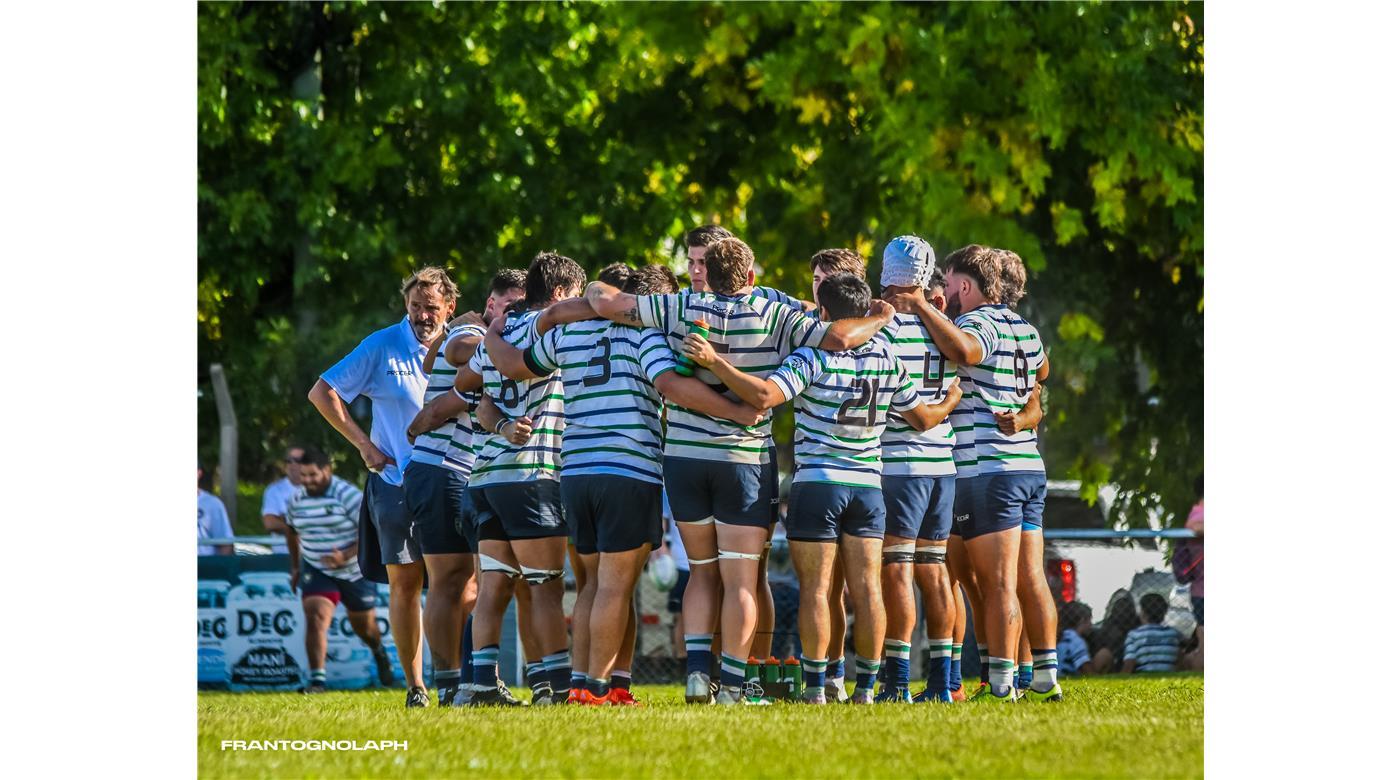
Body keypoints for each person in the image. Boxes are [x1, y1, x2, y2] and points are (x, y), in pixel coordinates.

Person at [585, 237, 895, 705]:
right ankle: (733, 683)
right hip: (744, 462)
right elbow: (837, 338)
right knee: (742, 580)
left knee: (703, 575)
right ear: (752, 277)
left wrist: (590, 287)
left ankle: (694, 676)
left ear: (704, 271)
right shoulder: (776, 312)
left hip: (685, 457)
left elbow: (609, 303)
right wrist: (880, 315)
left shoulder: (679, 306)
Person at [486, 262, 761, 705]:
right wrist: (737, 412)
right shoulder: (644, 335)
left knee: (595, 585)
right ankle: (591, 689)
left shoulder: (568, 334)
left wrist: (492, 335)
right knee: (614, 586)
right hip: (627, 469)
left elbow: (515, 367)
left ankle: (595, 683)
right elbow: (672, 386)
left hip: (575, 472)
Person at [683, 272, 961, 705]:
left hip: (819, 483)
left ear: (826, 315)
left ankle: (815, 688)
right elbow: (923, 419)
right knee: (869, 589)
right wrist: (952, 399)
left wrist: (716, 363)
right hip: (869, 487)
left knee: (816, 589)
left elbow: (762, 396)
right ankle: (866, 689)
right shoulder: (887, 358)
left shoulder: (813, 356)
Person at [884, 244, 1052, 703]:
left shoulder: (974, 324)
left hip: (982, 467)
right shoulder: (1027, 330)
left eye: (952, 285)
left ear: (962, 284)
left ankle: (1000, 681)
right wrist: (1028, 412)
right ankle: (1035, 675)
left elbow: (966, 352)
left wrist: (919, 305)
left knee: (987, 581)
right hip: (1007, 465)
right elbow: (1042, 373)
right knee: (1010, 577)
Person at [308, 266, 457, 707]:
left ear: (448, 306)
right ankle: (418, 687)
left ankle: (456, 678)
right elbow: (323, 392)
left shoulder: (465, 344)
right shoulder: (382, 344)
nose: (423, 316)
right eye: (415, 307)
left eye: (431, 307)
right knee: (405, 585)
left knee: (459, 585)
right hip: (396, 482)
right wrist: (363, 445)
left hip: (454, 478)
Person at [453, 251, 586, 707]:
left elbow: (469, 384)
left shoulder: (499, 331)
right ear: (560, 294)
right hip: (532, 474)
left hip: (486, 476)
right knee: (546, 589)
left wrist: (498, 420)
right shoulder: (552, 329)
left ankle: (480, 685)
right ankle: (558, 689)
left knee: (492, 588)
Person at [400, 268, 526, 706]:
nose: (515, 316)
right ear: (491, 304)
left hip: (463, 470)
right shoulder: (475, 330)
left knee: (476, 582)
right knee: (450, 581)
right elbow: (456, 348)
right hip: (440, 468)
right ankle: (452, 684)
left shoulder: (501, 340)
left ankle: (475, 681)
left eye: (522, 309)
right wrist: (499, 340)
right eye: (508, 307)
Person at [869, 236, 960, 704]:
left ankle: (899, 682)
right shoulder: (945, 327)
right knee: (935, 570)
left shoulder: (879, 330)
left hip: (899, 463)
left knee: (898, 572)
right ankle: (944, 683)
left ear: (885, 275)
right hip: (942, 465)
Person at [285, 446, 395, 693]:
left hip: (354, 570)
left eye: (312, 475)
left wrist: (344, 555)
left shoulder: (347, 495)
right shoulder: (295, 499)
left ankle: (378, 650)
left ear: (327, 470)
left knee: (365, 628)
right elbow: (291, 532)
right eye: (303, 476)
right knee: (315, 616)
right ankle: (317, 681)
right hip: (317, 567)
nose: (307, 481)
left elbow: (371, 532)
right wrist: (295, 567)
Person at [259, 446, 305, 553]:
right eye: (289, 461)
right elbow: (270, 523)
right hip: (284, 559)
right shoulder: (274, 490)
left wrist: (284, 519)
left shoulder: (320, 489)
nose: (293, 465)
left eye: (298, 461)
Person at [1121, 594, 1182, 673]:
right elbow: (1179, 657)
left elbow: (1129, 662)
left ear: (1143, 613)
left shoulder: (1134, 635)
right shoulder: (1173, 633)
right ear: (1163, 614)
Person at [197, 463, 234, 556]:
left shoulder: (212, 503)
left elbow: (226, 543)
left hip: (205, 566)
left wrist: (219, 568)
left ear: (198, 473)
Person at [1056, 601, 1095, 676]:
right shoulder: (1076, 640)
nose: (1091, 625)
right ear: (1082, 620)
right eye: (1089, 620)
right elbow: (1085, 666)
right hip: (1067, 676)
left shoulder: (1061, 635)